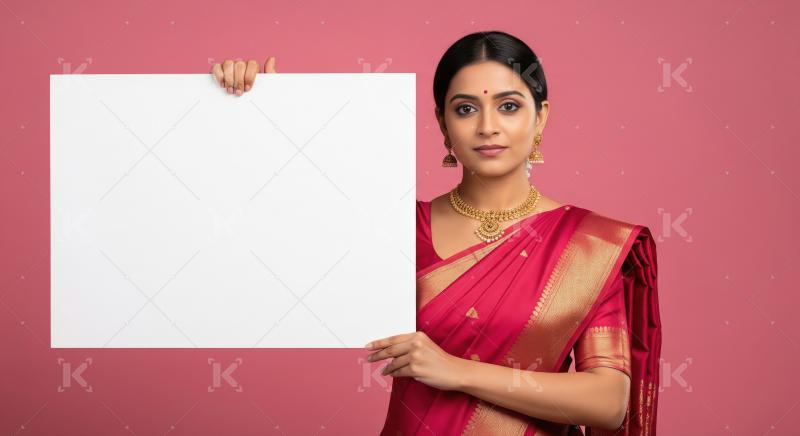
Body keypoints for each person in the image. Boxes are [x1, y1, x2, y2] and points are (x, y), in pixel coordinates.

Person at [212, 30, 661, 435]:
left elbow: (609, 403)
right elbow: (273, 234)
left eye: (508, 105)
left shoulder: (589, 244)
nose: (487, 126)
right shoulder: (394, 228)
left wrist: (456, 371)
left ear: (540, 117)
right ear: (443, 124)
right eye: (466, 109)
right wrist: (260, 113)